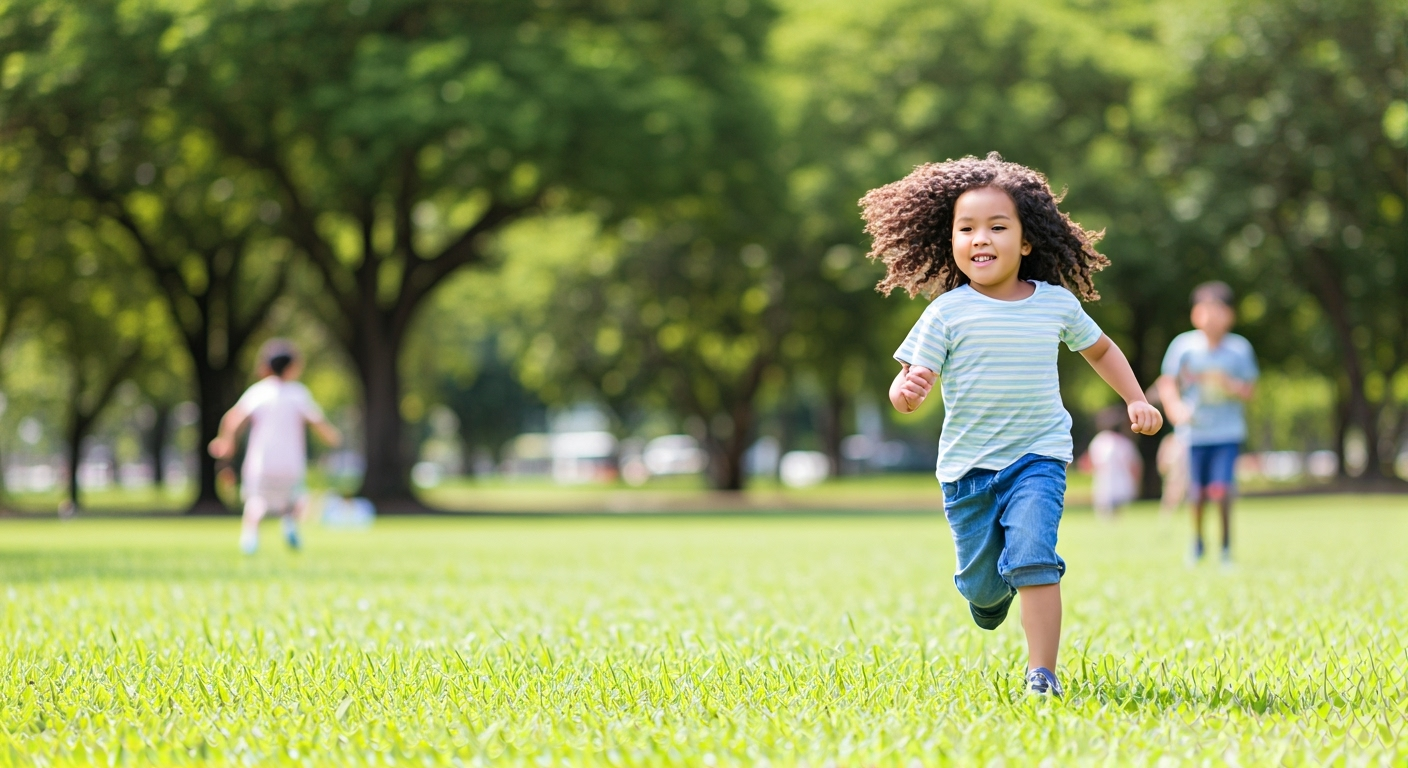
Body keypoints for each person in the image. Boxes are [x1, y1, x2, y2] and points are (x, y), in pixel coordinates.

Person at [864, 152, 1163, 697]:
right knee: (981, 585)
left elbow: (1100, 350)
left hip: (1038, 457)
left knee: (1032, 558)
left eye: (997, 227)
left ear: (1025, 241)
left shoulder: (1054, 305)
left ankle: (1042, 673)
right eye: (968, 228)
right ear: (951, 241)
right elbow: (911, 382)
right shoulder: (946, 312)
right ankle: (989, 595)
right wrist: (903, 392)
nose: (982, 238)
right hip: (968, 470)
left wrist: (1136, 399)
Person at [1156, 281, 1258, 567]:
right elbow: (1167, 383)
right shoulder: (1184, 346)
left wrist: (1231, 385)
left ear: (1230, 315)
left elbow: (1251, 390)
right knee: (1197, 493)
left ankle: (1225, 547)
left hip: (1227, 432)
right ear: (1194, 314)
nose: (1211, 317)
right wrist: (1174, 408)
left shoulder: (1239, 349)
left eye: (1218, 310)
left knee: (1222, 490)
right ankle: (1198, 543)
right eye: (1205, 310)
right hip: (1194, 434)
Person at [209, 339, 342, 554]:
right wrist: (332, 437)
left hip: (261, 462)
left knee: (256, 501)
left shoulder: (258, 392)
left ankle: (250, 537)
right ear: (291, 368)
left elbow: (232, 419)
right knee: (294, 500)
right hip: (290, 462)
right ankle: (289, 525)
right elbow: (318, 422)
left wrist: (225, 442)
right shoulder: (298, 393)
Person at [1086, 407, 1143, 519]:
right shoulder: (1125, 442)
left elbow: (1094, 462)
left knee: (1105, 506)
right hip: (1121, 478)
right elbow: (1134, 464)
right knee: (1117, 507)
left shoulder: (1099, 441)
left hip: (1105, 479)